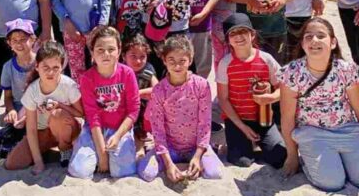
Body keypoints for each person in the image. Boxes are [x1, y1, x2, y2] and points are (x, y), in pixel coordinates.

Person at [278, 17, 359, 192]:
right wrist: (292, 156)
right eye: (308, 37)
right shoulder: (291, 73)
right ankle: (309, 158)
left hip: (347, 131)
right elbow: (287, 116)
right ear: (303, 44)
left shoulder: (346, 70)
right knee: (332, 183)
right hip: (313, 134)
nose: (314, 40)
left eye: (321, 36)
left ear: (333, 42)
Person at [137, 36, 223, 182]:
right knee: (147, 174)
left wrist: (197, 156)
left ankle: (200, 158)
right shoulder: (159, 90)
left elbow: (205, 123)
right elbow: (157, 129)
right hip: (170, 147)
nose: (177, 66)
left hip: (195, 147)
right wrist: (168, 163)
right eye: (172, 61)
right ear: (164, 61)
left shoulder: (201, 85)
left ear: (190, 60)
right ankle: (161, 158)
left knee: (214, 174)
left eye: (182, 61)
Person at [215, 13, 287, 168]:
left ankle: (259, 143)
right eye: (233, 33)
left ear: (252, 34)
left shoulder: (266, 59)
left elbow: (283, 87)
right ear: (228, 40)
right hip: (238, 120)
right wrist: (242, 127)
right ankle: (242, 142)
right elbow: (223, 98)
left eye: (243, 31)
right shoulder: (225, 63)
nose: (239, 37)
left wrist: (271, 98)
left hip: (264, 118)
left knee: (279, 158)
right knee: (242, 161)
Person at [68, 26, 139, 179]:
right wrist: (102, 156)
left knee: (121, 172)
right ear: (92, 53)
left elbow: (133, 111)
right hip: (96, 129)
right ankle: (83, 146)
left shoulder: (127, 74)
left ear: (119, 52)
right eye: (100, 50)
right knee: (79, 171)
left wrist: (118, 135)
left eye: (111, 49)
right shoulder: (87, 79)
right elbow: (93, 117)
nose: (106, 54)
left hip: (120, 128)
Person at [5, 41, 83, 172]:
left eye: (56, 68)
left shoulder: (69, 85)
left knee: (56, 115)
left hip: (66, 128)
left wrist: (60, 106)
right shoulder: (32, 90)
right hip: (43, 131)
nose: (50, 72)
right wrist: (38, 162)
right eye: (45, 67)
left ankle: (65, 148)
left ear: (62, 67)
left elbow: (81, 114)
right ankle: (46, 152)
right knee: (12, 163)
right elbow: (31, 129)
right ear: (37, 67)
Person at [0, 19, 38, 157]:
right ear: (9, 43)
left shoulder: (41, 62)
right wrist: (11, 110)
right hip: (19, 108)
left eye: (23, 39)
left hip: (38, 108)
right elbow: (7, 96)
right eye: (15, 40)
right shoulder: (8, 67)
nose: (19, 44)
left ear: (32, 39)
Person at [122, 33, 158, 147]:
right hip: (124, 109)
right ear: (123, 56)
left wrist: (137, 94)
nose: (138, 61)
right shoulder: (120, 70)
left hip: (143, 110)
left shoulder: (148, 69)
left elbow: (158, 89)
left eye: (142, 56)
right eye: (133, 56)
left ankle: (144, 132)